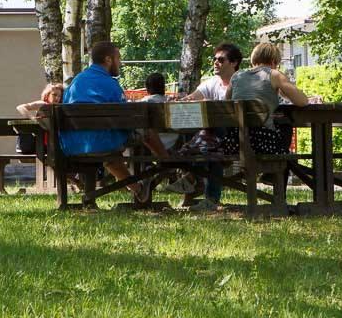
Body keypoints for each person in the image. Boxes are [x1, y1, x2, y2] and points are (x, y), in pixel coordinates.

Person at [60, 41, 167, 202]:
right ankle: (167, 164)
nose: (121, 63)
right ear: (108, 60)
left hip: (74, 145)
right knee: (146, 131)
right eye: (118, 58)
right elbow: (127, 118)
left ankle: (138, 190)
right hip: (103, 144)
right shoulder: (111, 84)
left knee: (110, 154)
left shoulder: (76, 82)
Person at [166, 43, 244, 212]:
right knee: (210, 147)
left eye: (221, 60)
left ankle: (193, 179)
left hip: (239, 138)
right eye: (214, 59)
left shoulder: (241, 82)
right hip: (215, 141)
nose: (216, 63)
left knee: (209, 138)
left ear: (234, 63)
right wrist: (180, 101)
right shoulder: (212, 83)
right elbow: (192, 98)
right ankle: (207, 196)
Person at [224, 42, 314, 154]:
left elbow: (226, 104)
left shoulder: (237, 76)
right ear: (273, 62)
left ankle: (276, 170)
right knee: (285, 125)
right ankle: (281, 167)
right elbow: (303, 101)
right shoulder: (274, 75)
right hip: (263, 142)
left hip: (235, 141)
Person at [139, 72, 179, 151]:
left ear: (147, 88)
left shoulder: (143, 102)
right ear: (163, 87)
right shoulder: (170, 102)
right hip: (172, 138)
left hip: (150, 141)